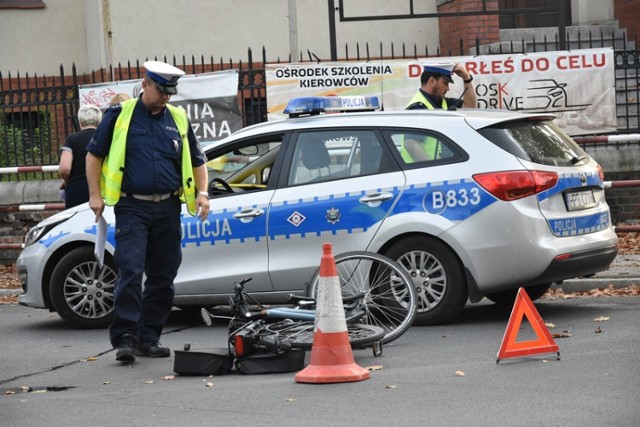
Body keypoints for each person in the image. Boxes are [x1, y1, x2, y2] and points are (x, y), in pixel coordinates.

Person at [85, 61, 210, 363]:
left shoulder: (178, 119)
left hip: (168, 207)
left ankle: (149, 337)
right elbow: (94, 155)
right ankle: (125, 338)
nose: (166, 97)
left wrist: (203, 193)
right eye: (161, 91)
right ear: (146, 85)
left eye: (170, 93)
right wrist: (94, 195)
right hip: (133, 206)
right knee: (130, 270)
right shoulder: (120, 115)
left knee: (163, 276)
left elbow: (197, 159)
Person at [402, 63, 477, 162]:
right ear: (432, 81)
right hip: (421, 173)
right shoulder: (418, 107)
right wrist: (432, 168)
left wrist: (466, 78)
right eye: (445, 83)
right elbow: (410, 143)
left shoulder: (443, 102)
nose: (448, 88)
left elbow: (470, 107)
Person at [58, 105, 103, 208]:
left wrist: (66, 181)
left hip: (76, 189)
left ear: (80, 121)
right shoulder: (105, 138)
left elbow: (64, 169)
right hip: (101, 188)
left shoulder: (71, 140)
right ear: (99, 121)